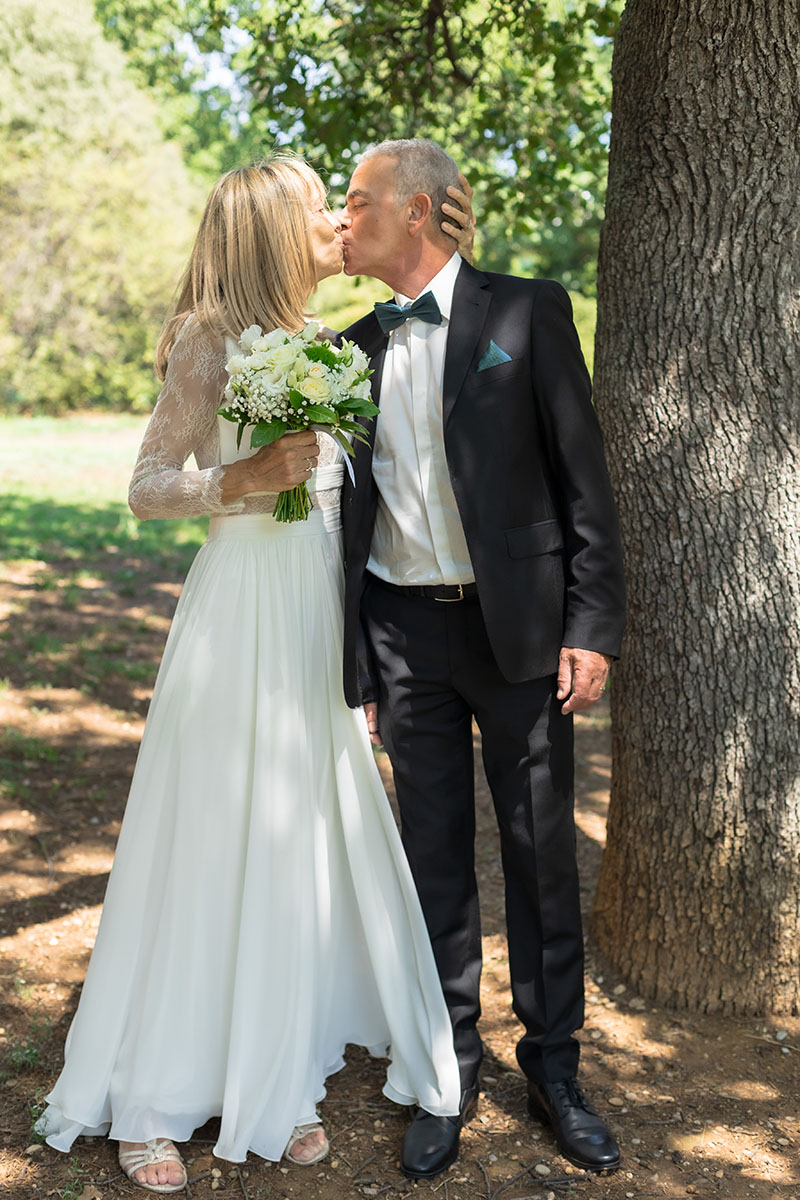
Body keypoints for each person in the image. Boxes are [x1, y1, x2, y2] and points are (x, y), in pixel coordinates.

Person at [36, 154, 476, 1193]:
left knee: (294, 844)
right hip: (235, 620)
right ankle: (149, 1095)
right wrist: (240, 479)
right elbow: (147, 487)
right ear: (270, 230)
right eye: (320, 205)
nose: (336, 219)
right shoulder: (206, 338)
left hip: (308, 622)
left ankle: (273, 1078)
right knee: (210, 836)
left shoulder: (323, 342)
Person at [339, 139, 626, 1179]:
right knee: (430, 863)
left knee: (539, 857)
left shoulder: (525, 312)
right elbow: (337, 520)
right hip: (401, 635)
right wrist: (356, 662)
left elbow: (580, 480)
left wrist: (588, 624)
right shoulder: (346, 345)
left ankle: (555, 1070)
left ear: (414, 211)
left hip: (518, 631)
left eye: (359, 201)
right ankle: (446, 1066)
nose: (343, 216)